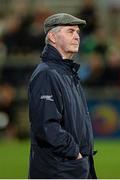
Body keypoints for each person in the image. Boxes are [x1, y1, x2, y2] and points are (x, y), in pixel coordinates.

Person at [28, 13, 97, 179]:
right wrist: (74, 153)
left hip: (72, 166)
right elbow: (46, 126)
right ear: (52, 37)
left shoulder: (67, 72)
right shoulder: (47, 74)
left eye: (77, 32)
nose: (77, 36)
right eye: (70, 31)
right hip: (59, 168)